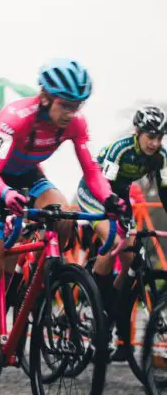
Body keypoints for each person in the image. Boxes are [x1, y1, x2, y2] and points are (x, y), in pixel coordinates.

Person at [0, 58, 126, 395]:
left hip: (28, 177)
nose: (70, 113)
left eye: (76, 106)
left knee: (65, 213)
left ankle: (38, 281)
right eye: (65, 105)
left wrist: (109, 198)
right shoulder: (15, 117)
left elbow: (92, 170)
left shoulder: (74, 125)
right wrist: (6, 195)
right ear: (46, 97)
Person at [77, 105, 167, 360]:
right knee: (113, 241)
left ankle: (111, 307)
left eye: (159, 137)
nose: (155, 143)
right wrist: (115, 213)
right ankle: (95, 302)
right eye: (150, 136)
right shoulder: (121, 148)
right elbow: (104, 186)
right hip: (95, 192)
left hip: (120, 196)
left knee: (132, 260)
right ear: (137, 132)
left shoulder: (160, 157)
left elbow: (164, 193)